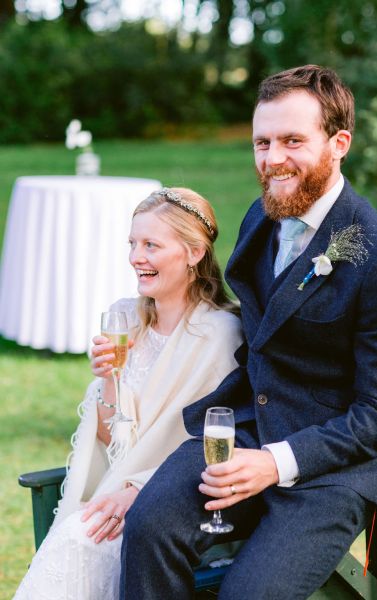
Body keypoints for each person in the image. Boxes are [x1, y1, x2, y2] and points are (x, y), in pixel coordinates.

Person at [119, 65, 377, 600]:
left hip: (331, 469)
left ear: (338, 143)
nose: (272, 160)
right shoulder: (262, 217)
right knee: (148, 529)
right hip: (241, 432)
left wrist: (276, 463)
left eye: (293, 141)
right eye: (262, 142)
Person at [13, 187, 243, 600]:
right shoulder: (123, 318)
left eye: (152, 245)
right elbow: (108, 440)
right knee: (76, 541)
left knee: (78, 543)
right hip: (110, 491)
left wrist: (137, 491)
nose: (137, 256)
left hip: (175, 508)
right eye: (133, 243)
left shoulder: (221, 335)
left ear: (193, 253)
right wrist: (107, 378)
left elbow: (208, 442)